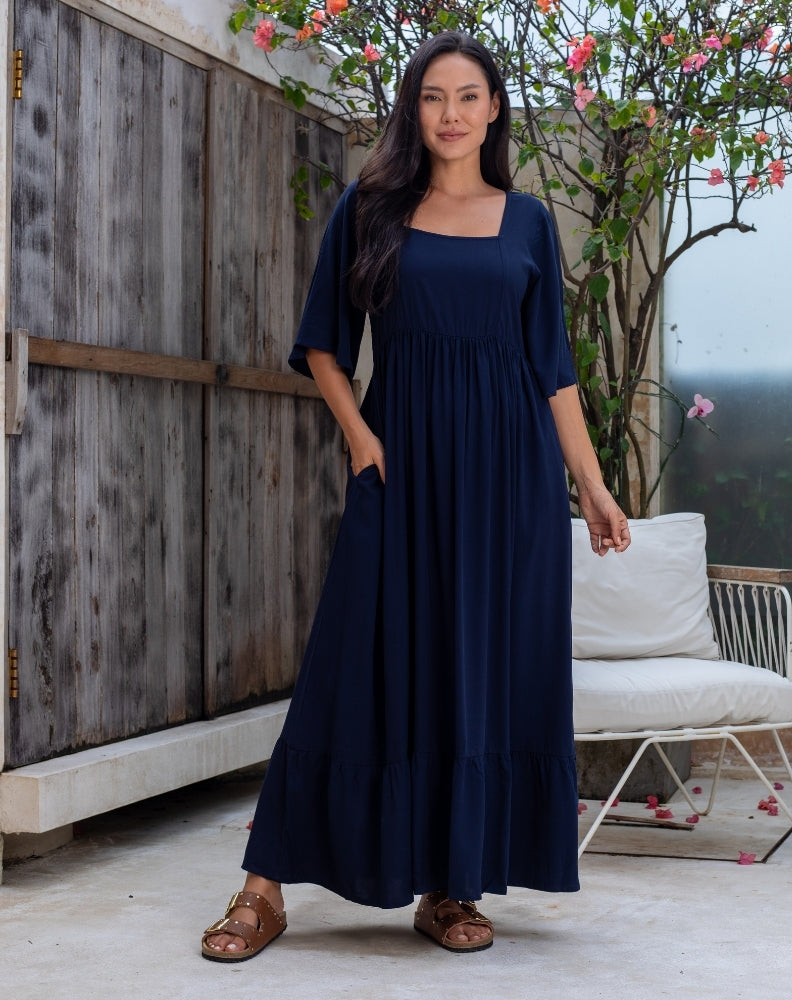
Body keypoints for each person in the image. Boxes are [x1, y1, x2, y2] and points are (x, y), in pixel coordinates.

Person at [202, 29, 630, 961]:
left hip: (510, 483)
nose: (450, 114)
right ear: (414, 109)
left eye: (469, 97)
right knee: (350, 661)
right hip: (400, 470)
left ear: (494, 109)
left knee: (478, 668)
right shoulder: (371, 208)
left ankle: (450, 887)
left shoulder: (527, 222)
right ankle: (263, 887)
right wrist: (361, 439)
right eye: (434, 97)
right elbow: (323, 342)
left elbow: (553, 371)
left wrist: (592, 489)